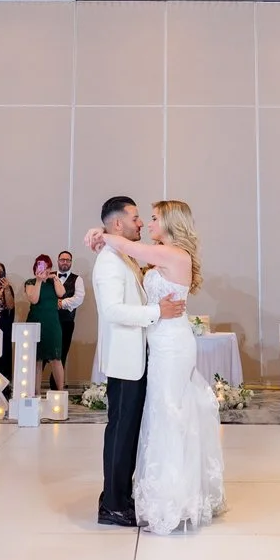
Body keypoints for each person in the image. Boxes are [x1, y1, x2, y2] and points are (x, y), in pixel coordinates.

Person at [89, 200, 225, 534]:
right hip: (154, 345)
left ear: (170, 222)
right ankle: (133, 499)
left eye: (152, 218)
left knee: (170, 415)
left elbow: (123, 242)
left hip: (171, 345)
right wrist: (103, 237)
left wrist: (100, 235)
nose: (146, 223)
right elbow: (116, 303)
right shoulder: (144, 255)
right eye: (140, 218)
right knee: (157, 418)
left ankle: (173, 497)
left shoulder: (174, 255)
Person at [90, 195, 186, 527]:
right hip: (125, 358)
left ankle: (118, 494)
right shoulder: (108, 262)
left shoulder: (122, 253)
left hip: (138, 356)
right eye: (135, 218)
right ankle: (113, 505)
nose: (141, 222)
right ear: (117, 224)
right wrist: (158, 312)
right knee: (120, 430)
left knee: (129, 430)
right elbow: (113, 311)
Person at [25, 253, 69, 391]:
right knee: (37, 360)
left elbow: (61, 293)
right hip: (35, 322)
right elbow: (34, 299)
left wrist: (55, 278)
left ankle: (61, 392)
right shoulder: (30, 282)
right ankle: (35, 394)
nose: (44, 269)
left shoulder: (53, 282)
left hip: (52, 324)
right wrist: (39, 280)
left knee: (56, 359)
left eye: (47, 266)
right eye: (41, 265)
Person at [55, 249, 83, 369]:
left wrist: (62, 303)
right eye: (62, 260)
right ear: (58, 261)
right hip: (49, 321)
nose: (65, 262)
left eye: (67, 260)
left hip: (67, 322)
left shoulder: (77, 279)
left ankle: (56, 385)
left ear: (71, 262)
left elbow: (78, 299)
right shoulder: (49, 276)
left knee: (62, 353)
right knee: (44, 354)